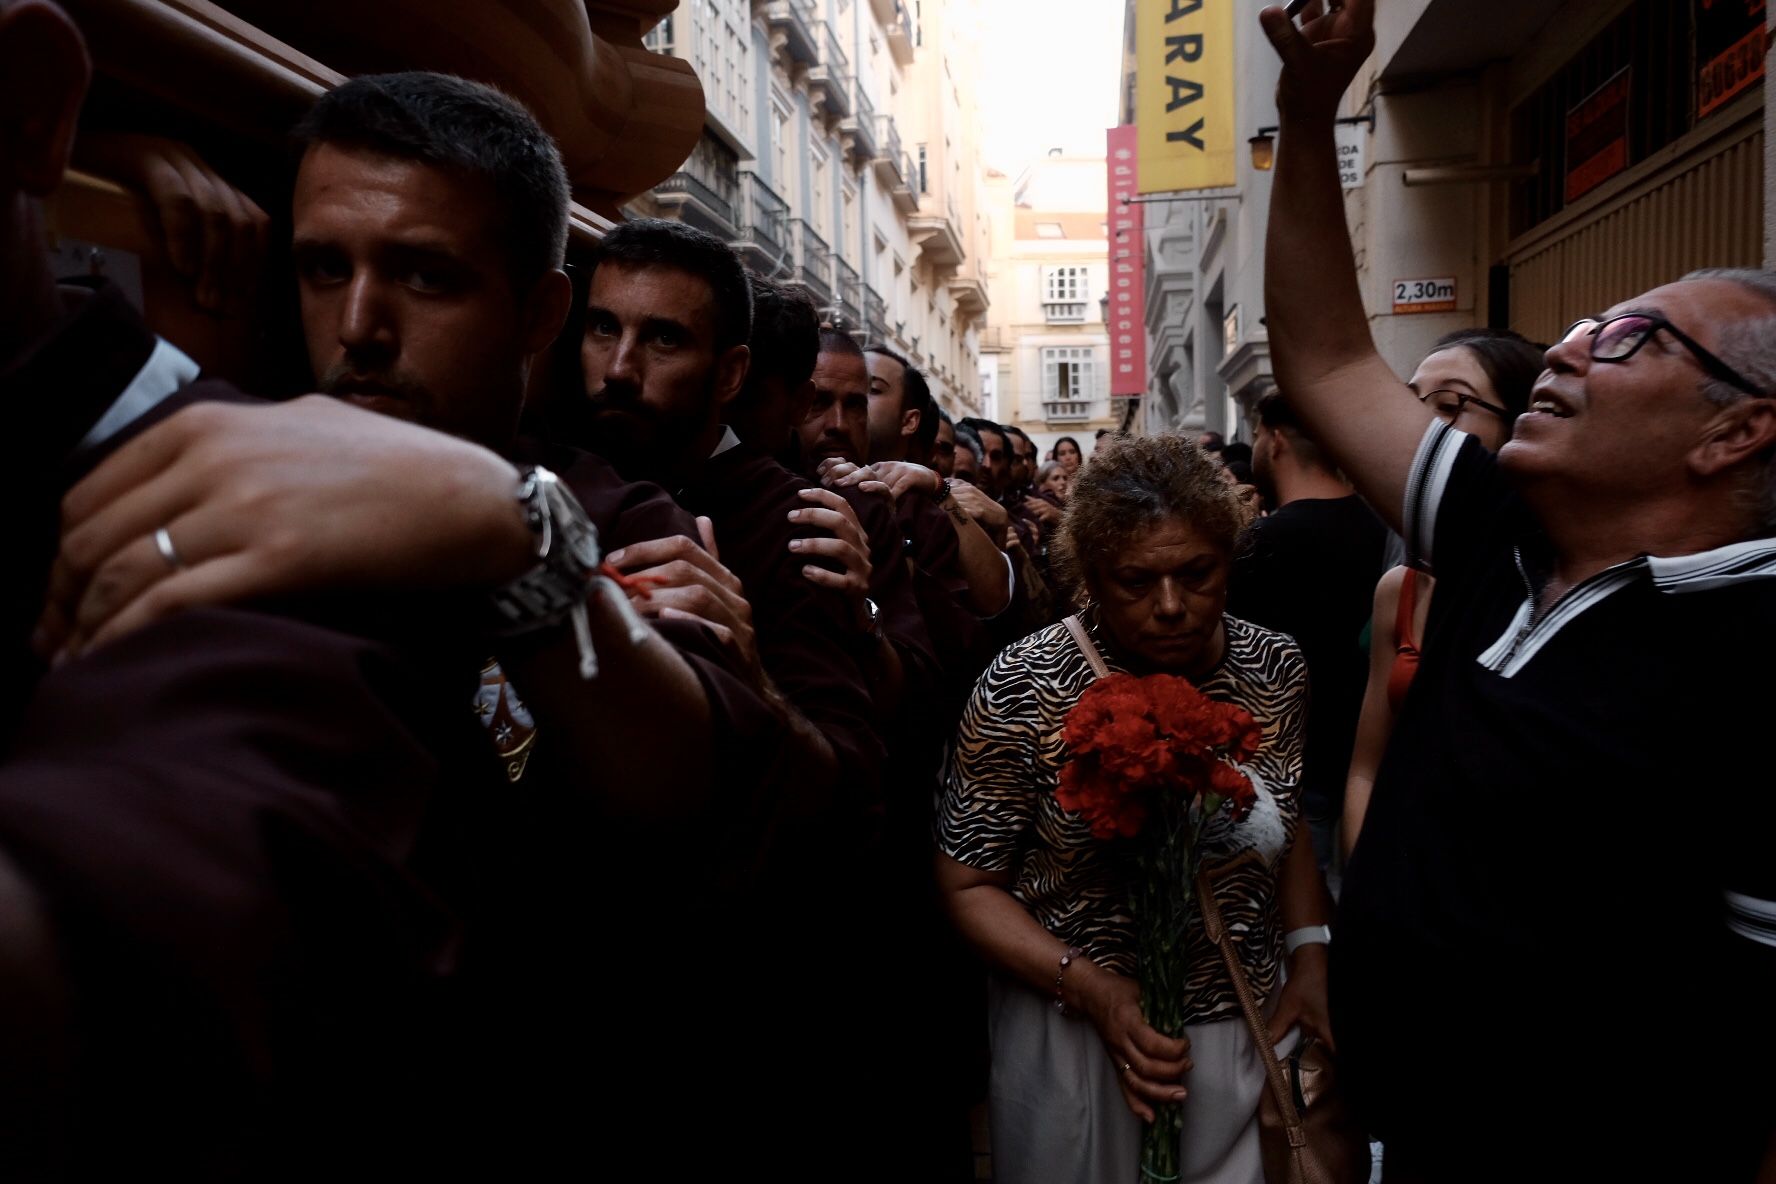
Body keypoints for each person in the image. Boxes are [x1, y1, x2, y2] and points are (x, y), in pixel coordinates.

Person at [1261, 1, 1776, 1176]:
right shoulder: (1498, 523)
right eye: (1587, 323)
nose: (1566, 347)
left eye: (1633, 338)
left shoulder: (1758, 655)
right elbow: (1332, 357)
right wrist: (1306, 105)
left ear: (1737, 431)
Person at [937, 433, 1329, 1184]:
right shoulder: (1024, 684)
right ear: (1090, 575)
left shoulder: (1275, 666)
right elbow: (965, 885)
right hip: (1072, 1036)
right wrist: (1089, 986)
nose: (1172, 607)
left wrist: (1310, 957)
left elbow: (1288, 826)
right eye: (1135, 582)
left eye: (1197, 573)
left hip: (1241, 1025)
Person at [1341, 328, 1543, 860]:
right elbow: (1367, 768)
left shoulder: (1563, 582)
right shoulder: (1401, 588)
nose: (1419, 426)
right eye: (1409, 403)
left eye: (1451, 404)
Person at [1227, 390, 1389, 875]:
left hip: (1290, 768)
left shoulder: (1261, 542)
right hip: (1370, 758)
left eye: (1255, 435)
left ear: (1276, 441)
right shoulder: (1385, 528)